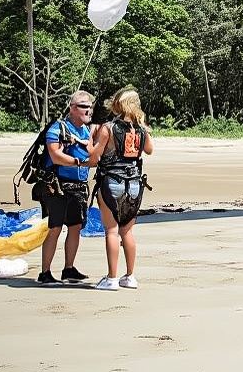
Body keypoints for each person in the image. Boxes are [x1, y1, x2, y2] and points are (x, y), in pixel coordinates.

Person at [88, 88, 154, 290]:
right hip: (134, 184)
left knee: (111, 230)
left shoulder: (108, 127)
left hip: (112, 182)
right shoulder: (142, 130)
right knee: (127, 232)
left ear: (117, 104)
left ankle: (111, 278)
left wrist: (89, 140)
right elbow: (149, 150)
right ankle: (130, 276)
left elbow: (95, 156)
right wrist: (143, 128)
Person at [34, 91, 96, 285]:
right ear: (72, 108)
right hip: (57, 187)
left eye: (90, 106)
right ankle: (45, 273)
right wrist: (80, 162)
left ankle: (69, 269)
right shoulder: (57, 128)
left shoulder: (87, 131)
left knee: (75, 227)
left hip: (79, 188)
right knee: (55, 227)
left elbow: (95, 154)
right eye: (84, 106)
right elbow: (55, 156)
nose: (89, 110)